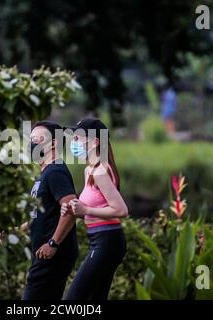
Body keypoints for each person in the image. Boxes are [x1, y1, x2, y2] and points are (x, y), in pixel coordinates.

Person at [62, 118, 128, 300]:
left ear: (95, 142)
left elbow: (121, 210)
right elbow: (95, 208)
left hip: (108, 241)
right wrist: (74, 209)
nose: (73, 143)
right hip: (98, 238)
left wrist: (85, 210)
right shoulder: (89, 170)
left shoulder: (100, 171)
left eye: (77, 138)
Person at [21, 120, 79, 300]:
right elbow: (40, 216)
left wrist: (53, 243)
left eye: (37, 139)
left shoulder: (55, 172)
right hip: (44, 254)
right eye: (31, 139)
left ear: (53, 143)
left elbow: (71, 208)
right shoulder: (44, 174)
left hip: (52, 255)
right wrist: (15, 231)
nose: (32, 144)